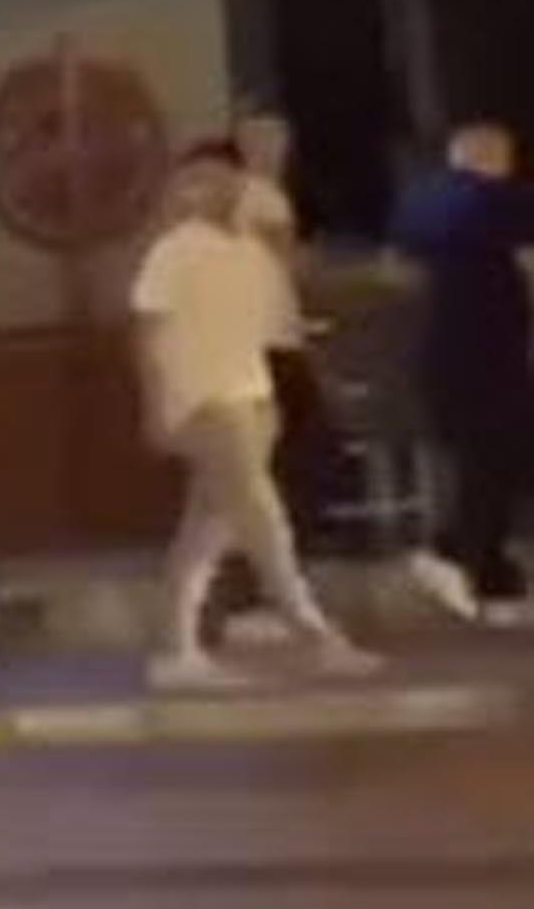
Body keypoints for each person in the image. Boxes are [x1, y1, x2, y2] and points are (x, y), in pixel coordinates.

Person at [131, 140, 376, 690]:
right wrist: (156, 403)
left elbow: (279, 327)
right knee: (263, 521)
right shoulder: (173, 251)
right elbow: (147, 331)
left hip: (252, 397)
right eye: (195, 180)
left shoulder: (250, 252)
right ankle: (315, 637)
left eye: (219, 178)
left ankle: (174, 650)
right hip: (204, 401)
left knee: (207, 530)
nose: (207, 190)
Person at [392, 120, 534, 625]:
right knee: (494, 460)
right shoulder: (484, 204)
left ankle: (476, 563)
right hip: (482, 360)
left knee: (498, 461)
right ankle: (465, 561)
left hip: (459, 360)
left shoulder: (428, 206)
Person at [236, 106, 334, 532]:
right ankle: (295, 524)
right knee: (300, 432)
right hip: (269, 332)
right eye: (268, 141)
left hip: (256, 331)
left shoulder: (239, 197)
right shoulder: (264, 199)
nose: (276, 150)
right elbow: (283, 262)